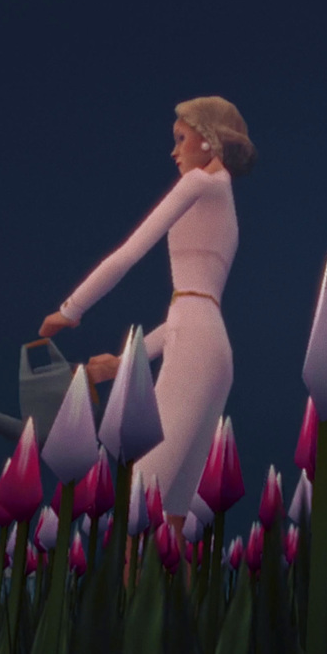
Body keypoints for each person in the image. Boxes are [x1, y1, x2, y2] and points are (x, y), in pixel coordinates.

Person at [39, 96, 254, 552]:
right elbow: (191, 316)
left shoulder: (198, 183)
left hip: (195, 345)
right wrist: (122, 363)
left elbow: (130, 252)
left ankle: (129, 616)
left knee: (142, 502)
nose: (174, 152)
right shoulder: (227, 203)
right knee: (172, 520)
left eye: (181, 139)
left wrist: (71, 309)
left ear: (209, 140)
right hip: (215, 350)